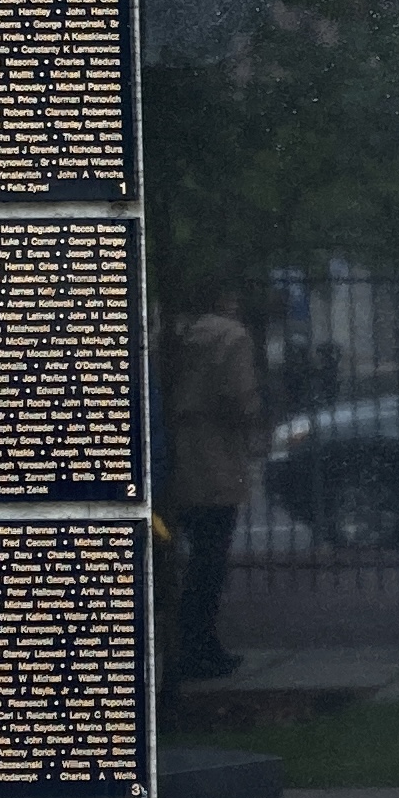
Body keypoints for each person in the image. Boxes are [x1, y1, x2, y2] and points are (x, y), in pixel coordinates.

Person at [159, 288, 262, 683]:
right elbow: (239, 399)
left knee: (173, 554)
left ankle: (179, 643)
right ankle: (201, 646)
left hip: (176, 450)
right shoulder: (232, 338)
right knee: (210, 558)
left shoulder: (170, 333)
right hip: (215, 454)